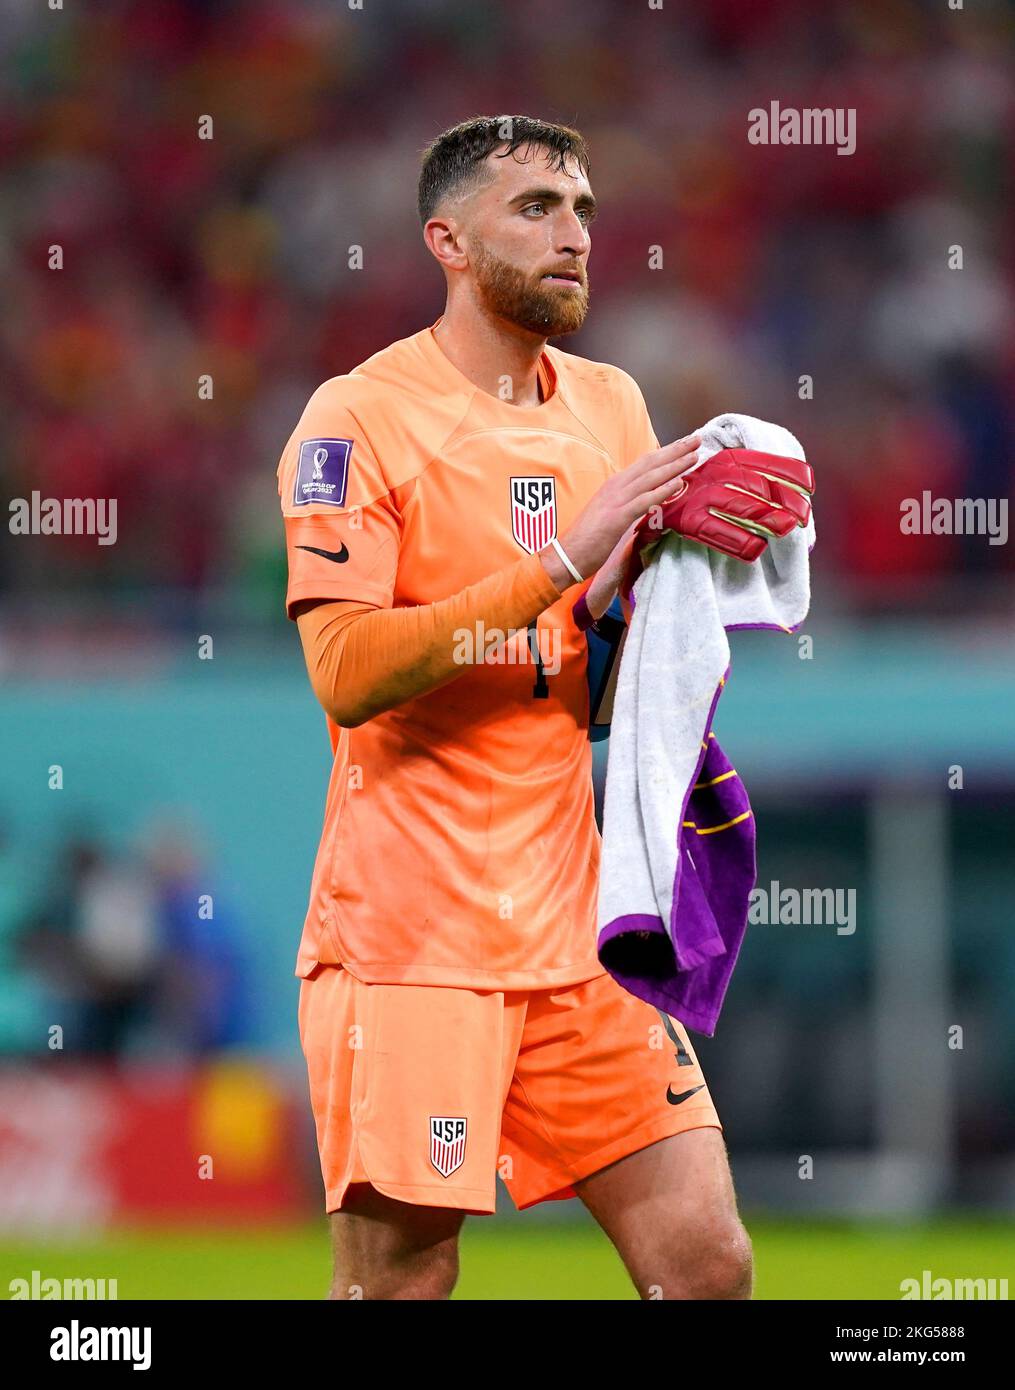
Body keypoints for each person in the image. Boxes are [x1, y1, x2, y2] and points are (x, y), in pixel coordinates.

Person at [277, 115, 752, 1300]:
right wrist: (557, 564)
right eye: (535, 208)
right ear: (446, 239)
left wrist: (684, 608)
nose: (575, 235)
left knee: (705, 1265)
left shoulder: (611, 408)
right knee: (401, 1284)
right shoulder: (356, 416)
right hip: (408, 942)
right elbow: (343, 668)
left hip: (570, 934)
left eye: (584, 209)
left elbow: (589, 684)